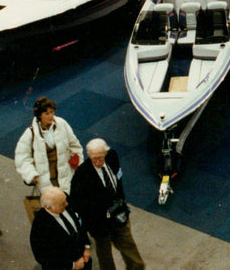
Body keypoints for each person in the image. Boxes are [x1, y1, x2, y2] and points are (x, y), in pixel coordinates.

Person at [70, 139, 145, 270]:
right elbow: (78, 206)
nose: (98, 162)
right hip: (100, 227)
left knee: (136, 261)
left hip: (119, 218)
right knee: (106, 261)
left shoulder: (112, 157)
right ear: (88, 154)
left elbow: (118, 181)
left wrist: (122, 205)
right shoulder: (82, 175)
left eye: (101, 158)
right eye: (94, 159)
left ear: (106, 152)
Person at [15, 97, 84, 194]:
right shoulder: (30, 133)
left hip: (66, 177)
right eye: (47, 113)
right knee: (52, 206)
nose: (51, 116)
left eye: (52, 112)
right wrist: (31, 174)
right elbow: (22, 157)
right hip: (46, 182)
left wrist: (79, 165)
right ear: (39, 115)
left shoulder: (62, 124)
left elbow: (75, 146)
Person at [30, 186, 92, 270]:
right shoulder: (40, 226)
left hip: (84, 261)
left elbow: (80, 226)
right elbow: (43, 257)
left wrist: (86, 247)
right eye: (62, 204)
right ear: (48, 207)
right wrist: (73, 265)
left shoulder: (64, 200)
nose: (66, 204)